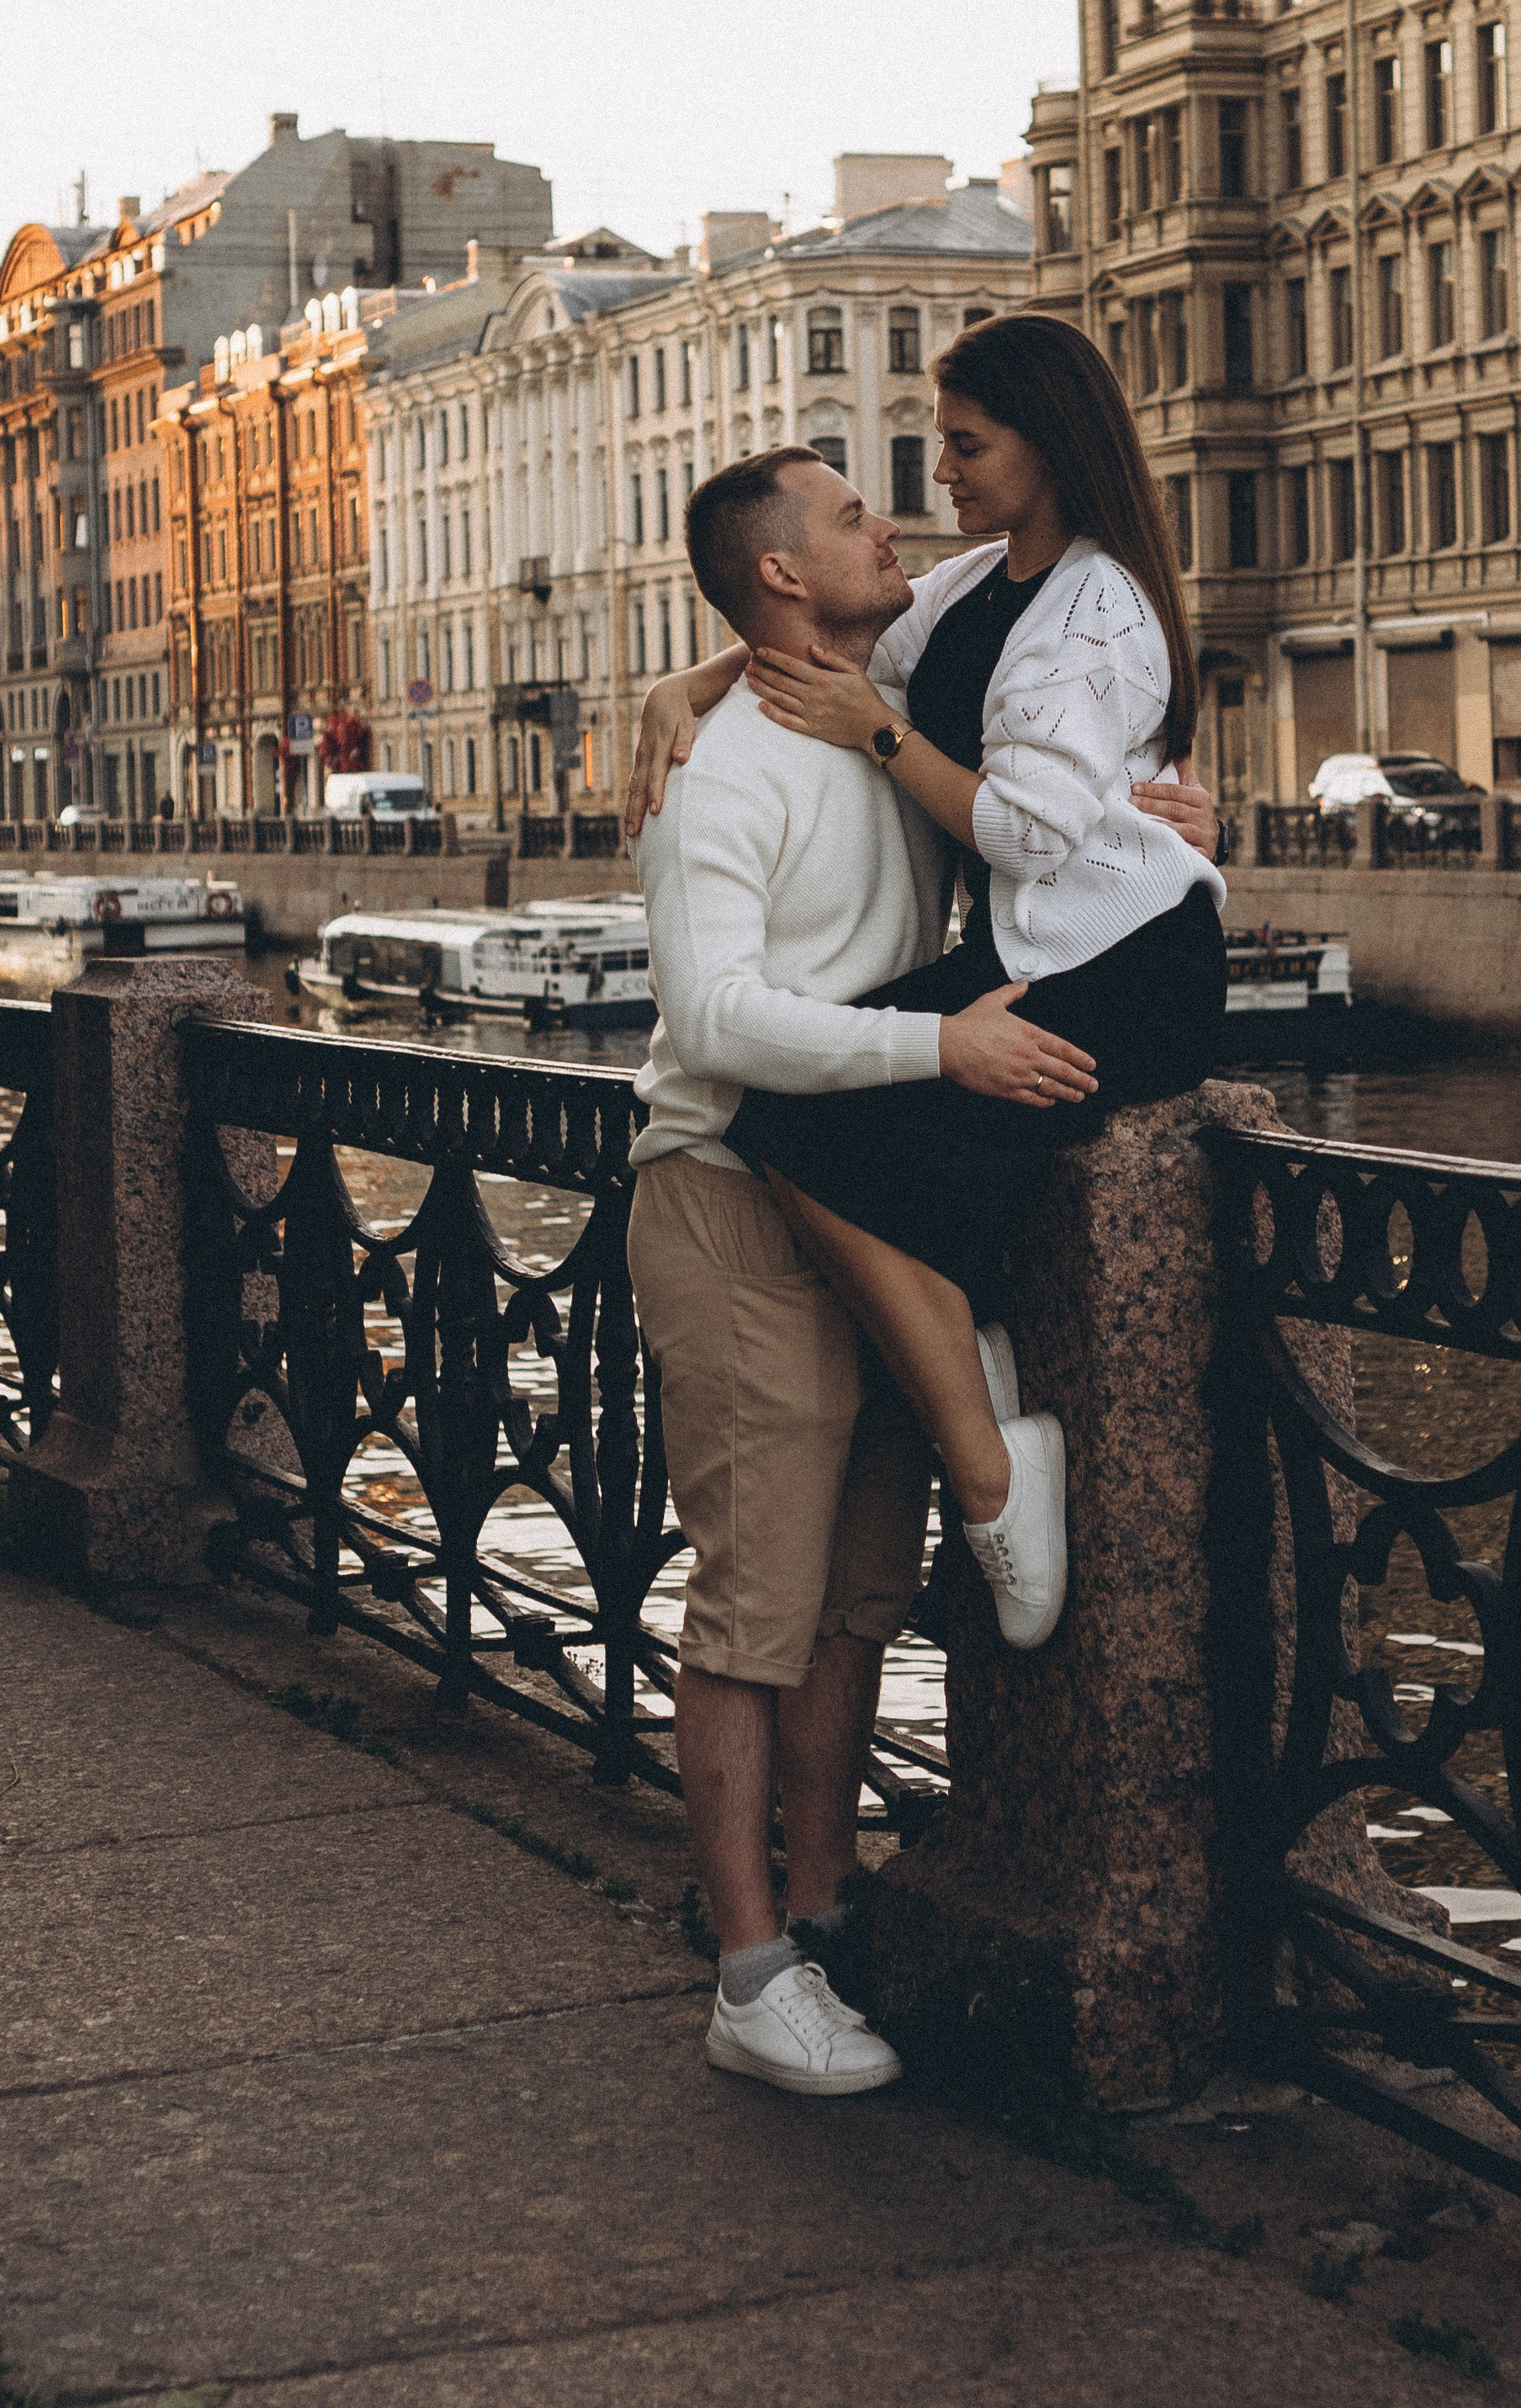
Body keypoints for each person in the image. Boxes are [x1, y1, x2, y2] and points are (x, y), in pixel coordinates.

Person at [627, 443, 1215, 2098]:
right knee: (753, 1613)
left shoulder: (887, 700)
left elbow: (1044, 784)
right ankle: (750, 1975)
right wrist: (937, 1048)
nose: (890, 514)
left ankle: (827, 1911)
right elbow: (712, 1021)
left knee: (858, 1602)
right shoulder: (718, 771)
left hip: (872, 1192)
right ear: (782, 576)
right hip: (734, 1197)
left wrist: (1167, 817)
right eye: (847, 514)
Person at [628, 311, 1227, 1663]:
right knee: (797, 1117)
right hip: (1040, 954)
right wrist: (689, 679)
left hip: (1125, 970)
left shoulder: (1096, 606)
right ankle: (982, 1396)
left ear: (1048, 445)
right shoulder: (975, 589)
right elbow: (833, 652)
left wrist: (885, 739)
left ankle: (992, 1470)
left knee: (807, 1127)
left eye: (967, 445)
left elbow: (1022, 831)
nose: (939, 472)